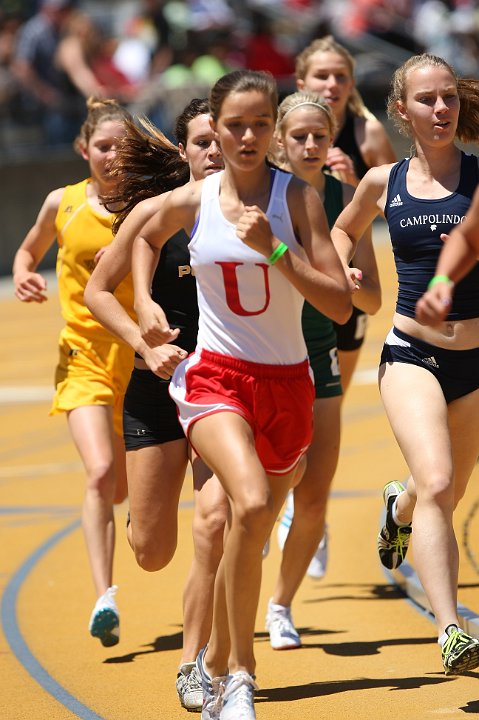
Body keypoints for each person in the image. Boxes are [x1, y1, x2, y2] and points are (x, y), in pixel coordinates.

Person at [131, 69, 352, 720]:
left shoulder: (297, 200)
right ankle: (240, 678)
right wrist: (143, 299)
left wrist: (275, 250)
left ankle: (220, 664)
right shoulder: (191, 201)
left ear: (273, 130)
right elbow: (141, 234)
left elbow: (337, 305)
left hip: (287, 386)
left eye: (260, 124)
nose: (248, 136)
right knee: (247, 503)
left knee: (249, 533)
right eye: (235, 125)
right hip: (215, 379)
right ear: (217, 130)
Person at [331, 52, 479, 675]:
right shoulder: (381, 182)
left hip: (474, 361)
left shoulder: (478, 176)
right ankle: (451, 630)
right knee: (441, 484)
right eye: (426, 100)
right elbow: (341, 231)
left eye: (448, 97)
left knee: (435, 487)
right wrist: (345, 265)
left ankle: (398, 506)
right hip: (411, 351)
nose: (440, 108)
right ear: (401, 110)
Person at [84, 98, 228, 712]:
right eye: (200, 141)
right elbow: (97, 293)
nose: (213, 151)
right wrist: (142, 333)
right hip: (154, 387)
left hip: (220, 386)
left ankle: (199, 660)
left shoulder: (250, 211)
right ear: (183, 150)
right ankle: (142, 525)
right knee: (152, 551)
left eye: (221, 139)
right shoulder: (152, 213)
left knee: (215, 522)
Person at [13, 97, 134, 648]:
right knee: (99, 473)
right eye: (103, 147)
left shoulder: (148, 204)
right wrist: (23, 274)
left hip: (141, 362)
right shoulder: (61, 203)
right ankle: (104, 595)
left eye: (122, 147)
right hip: (82, 358)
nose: (112, 156)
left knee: (125, 489)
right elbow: (28, 250)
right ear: (84, 149)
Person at [264, 90, 381, 649]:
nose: (311, 145)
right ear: (278, 140)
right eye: (299, 136)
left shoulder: (345, 197)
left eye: (321, 136)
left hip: (317, 353)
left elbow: (374, 301)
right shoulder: (255, 195)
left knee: (314, 496)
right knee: (254, 495)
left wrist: (352, 288)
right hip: (256, 353)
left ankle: (281, 604)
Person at [295, 34, 396, 393]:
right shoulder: (284, 138)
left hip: (350, 276)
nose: (332, 84)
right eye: (322, 75)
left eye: (340, 76)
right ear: (301, 83)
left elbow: (398, 212)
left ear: (351, 83)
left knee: (330, 402)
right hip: (298, 284)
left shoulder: (366, 133)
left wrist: (358, 191)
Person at [11, 0, 81, 145]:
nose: (63, 13)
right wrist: (43, 93)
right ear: (46, 9)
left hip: (62, 97)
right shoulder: (33, 31)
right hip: (36, 101)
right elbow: (22, 67)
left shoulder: (64, 29)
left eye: (65, 9)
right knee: (58, 127)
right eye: (59, 10)